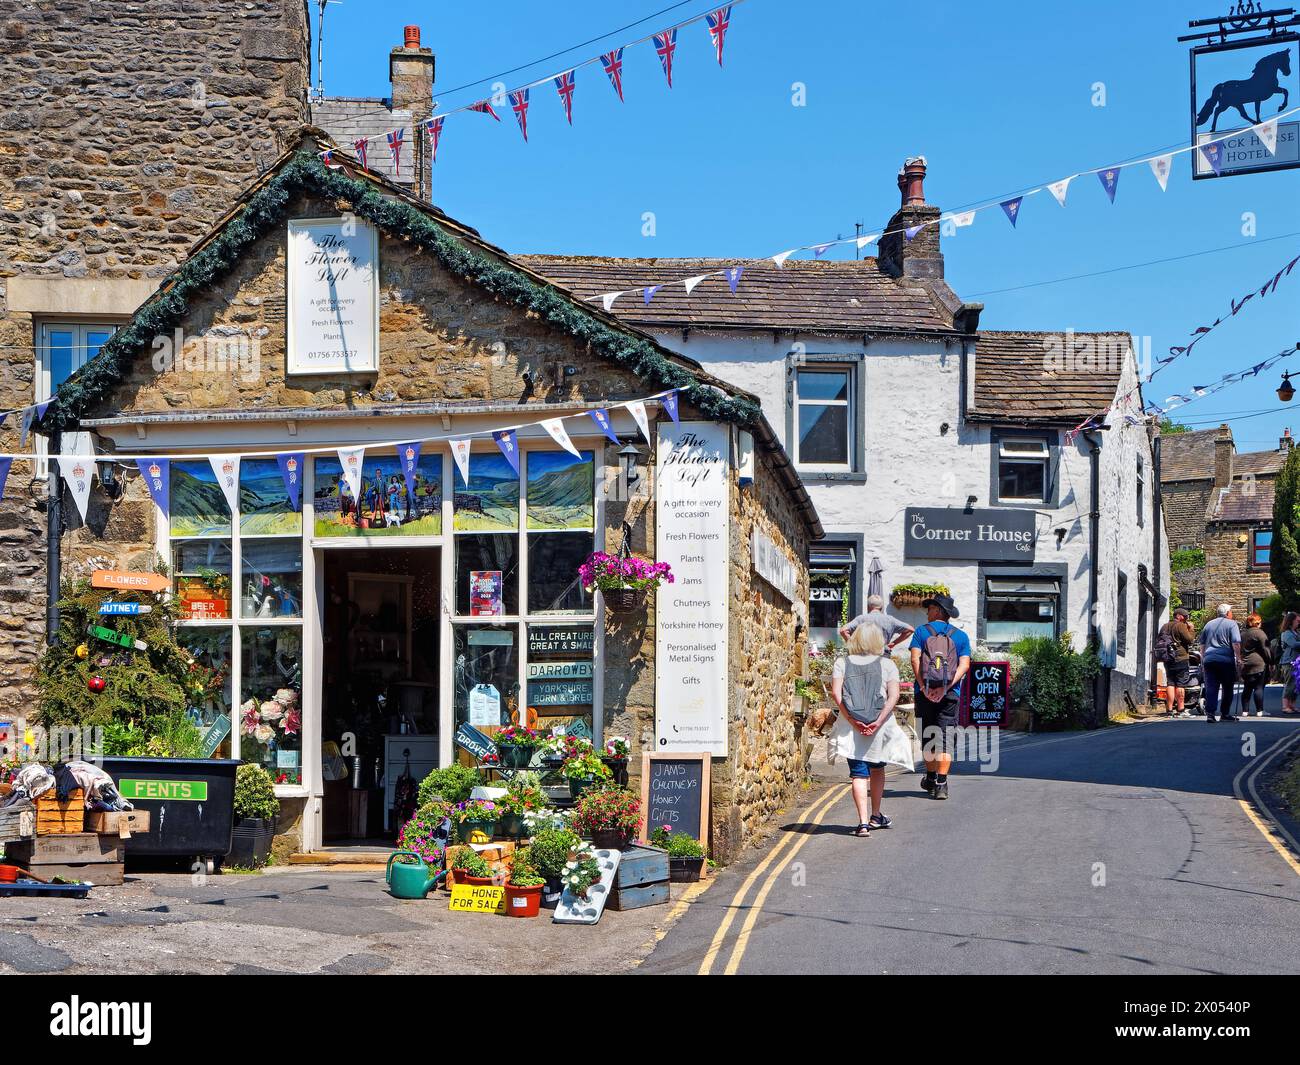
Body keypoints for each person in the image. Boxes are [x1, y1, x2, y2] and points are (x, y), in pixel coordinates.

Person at [828, 622, 913, 836]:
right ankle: (876, 815)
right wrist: (877, 721)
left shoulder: (842, 663)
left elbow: (837, 694)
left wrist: (852, 720)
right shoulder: (887, 665)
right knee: (877, 769)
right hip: (879, 727)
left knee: (858, 774)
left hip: (851, 728)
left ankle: (863, 823)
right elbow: (894, 696)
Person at [909, 593, 971, 801]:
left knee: (928, 736)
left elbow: (915, 660)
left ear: (937, 611)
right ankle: (941, 784)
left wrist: (923, 687)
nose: (927, 613)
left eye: (929, 609)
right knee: (945, 739)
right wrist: (945, 688)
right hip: (950, 694)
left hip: (923, 693)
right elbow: (964, 665)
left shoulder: (921, 632)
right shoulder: (961, 636)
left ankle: (930, 777)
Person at [1198, 604, 1242, 723]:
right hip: (1225, 660)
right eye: (1231, 611)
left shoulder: (1208, 624)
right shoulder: (1232, 624)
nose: (1231, 613)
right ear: (1227, 613)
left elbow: (1202, 644)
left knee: (1211, 687)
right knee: (1227, 687)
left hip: (1209, 660)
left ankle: (1210, 714)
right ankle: (1225, 713)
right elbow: (1236, 643)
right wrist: (1238, 658)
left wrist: (1203, 659)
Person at [1156, 607, 1196, 718]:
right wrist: (1191, 629)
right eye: (1185, 616)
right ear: (1179, 616)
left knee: (1170, 683)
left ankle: (1169, 710)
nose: (1186, 619)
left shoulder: (1164, 626)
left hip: (1168, 658)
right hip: (1180, 658)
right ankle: (1180, 710)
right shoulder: (1180, 626)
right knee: (1180, 684)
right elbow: (1189, 640)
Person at [840, 595, 915, 654]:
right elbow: (910, 629)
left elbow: (843, 631)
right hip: (883, 654)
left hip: (864, 655)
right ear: (881, 607)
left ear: (868, 606)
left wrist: (853, 644)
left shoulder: (861, 619)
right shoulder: (890, 620)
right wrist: (894, 643)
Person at [1239, 613, 1272, 719]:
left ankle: (1245, 711)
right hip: (1258, 663)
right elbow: (1266, 649)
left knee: (1247, 688)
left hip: (1245, 663)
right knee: (1259, 687)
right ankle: (1259, 711)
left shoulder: (1242, 633)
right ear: (1258, 623)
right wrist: (1271, 662)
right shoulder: (1260, 633)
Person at [1281, 612, 1300, 714]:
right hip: (1289, 662)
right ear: (1291, 621)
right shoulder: (1287, 633)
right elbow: (1294, 644)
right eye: (1297, 621)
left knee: (1296, 684)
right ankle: (1285, 706)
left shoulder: (1295, 632)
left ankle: (1291, 705)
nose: (1299, 622)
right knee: (1290, 684)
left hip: (1296, 661)